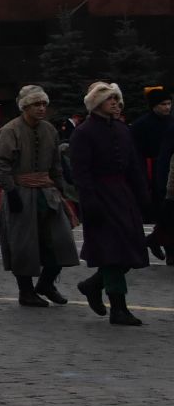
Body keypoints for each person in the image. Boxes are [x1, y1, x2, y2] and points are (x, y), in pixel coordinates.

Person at [71, 81, 151, 326]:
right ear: (97, 104)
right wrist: (90, 203)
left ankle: (92, 285)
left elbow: (133, 166)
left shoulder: (122, 129)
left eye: (116, 99)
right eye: (110, 99)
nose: (115, 103)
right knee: (112, 253)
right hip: (100, 195)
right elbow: (81, 173)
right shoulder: (83, 132)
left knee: (130, 249)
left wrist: (143, 195)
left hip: (122, 194)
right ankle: (119, 308)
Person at [0, 85, 78, 307]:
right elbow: (1, 164)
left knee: (60, 241)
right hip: (20, 192)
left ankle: (47, 283)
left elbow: (56, 165)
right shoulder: (10, 131)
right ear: (25, 107)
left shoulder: (49, 130)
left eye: (43, 104)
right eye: (36, 105)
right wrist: (10, 191)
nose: (41, 109)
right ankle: (26, 291)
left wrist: (61, 190)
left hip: (46, 192)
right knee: (24, 245)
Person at [131, 85, 171, 260]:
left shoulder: (172, 122)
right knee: (165, 212)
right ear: (154, 105)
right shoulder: (141, 124)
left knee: (169, 212)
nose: (167, 107)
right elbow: (136, 152)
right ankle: (164, 245)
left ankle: (156, 239)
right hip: (152, 170)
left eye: (169, 103)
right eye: (163, 104)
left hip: (170, 169)